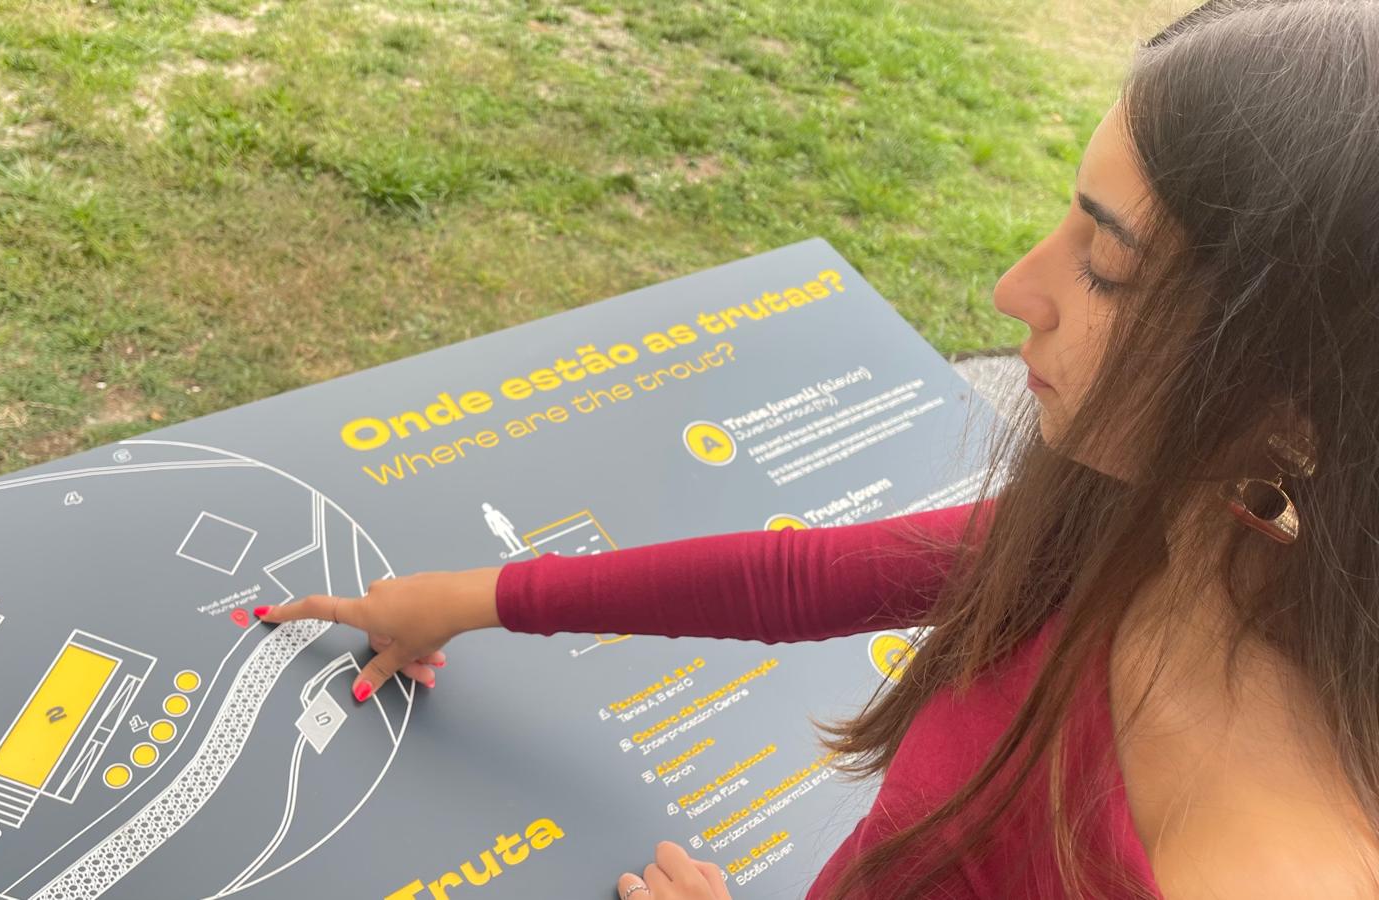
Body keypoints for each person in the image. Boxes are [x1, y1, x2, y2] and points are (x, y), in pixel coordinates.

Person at [257, 2, 1379, 896]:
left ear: (1308, 397)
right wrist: (468, 597)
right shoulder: (1162, 524)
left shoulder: (1265, 867)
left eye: (1109, 267)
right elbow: (805, 579)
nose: (1015, 290)